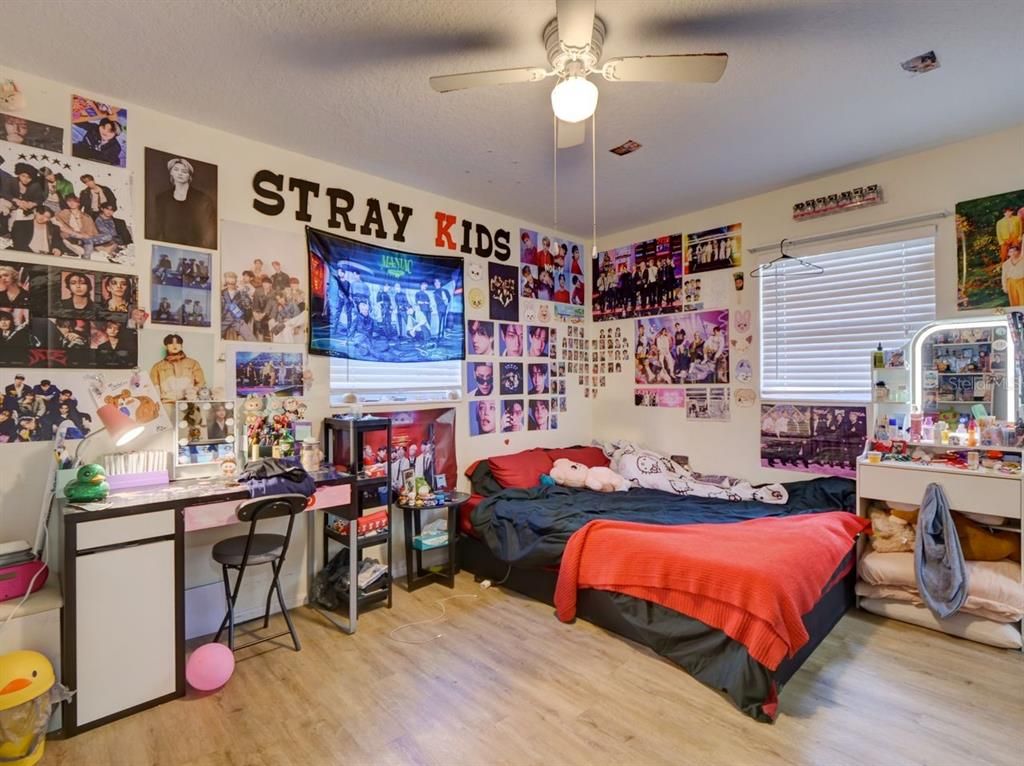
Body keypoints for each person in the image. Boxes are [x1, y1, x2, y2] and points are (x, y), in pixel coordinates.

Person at [149, 157, 217, 249]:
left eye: (184, 171)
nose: (180, 173)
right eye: (176, 170)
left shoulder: (202, 199)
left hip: (195, 248)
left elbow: (208, 232)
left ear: (189, 175)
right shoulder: (162, 198)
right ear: (171, 172)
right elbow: (159, 228)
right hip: (168, 248)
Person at [149, 333, 206, 402]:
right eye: (171, 343)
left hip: (188, 404)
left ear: (181, 346)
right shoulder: (157, 366)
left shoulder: (193, 363)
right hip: (166, 404)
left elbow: (201, 382)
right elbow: (155, 387)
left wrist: (193, 391)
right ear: (166, 346)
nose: (174, 345)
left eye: (178, 343)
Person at [221, 271, 254, 340]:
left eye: (233, 283)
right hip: (223, 319)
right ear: (226, 283)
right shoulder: (221, 293)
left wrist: (244, 295)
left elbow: (248, 306)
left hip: (238, 319)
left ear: (236, 282)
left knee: (251, 338)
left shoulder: (241, 293)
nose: (230, 285)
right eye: (228, 283)